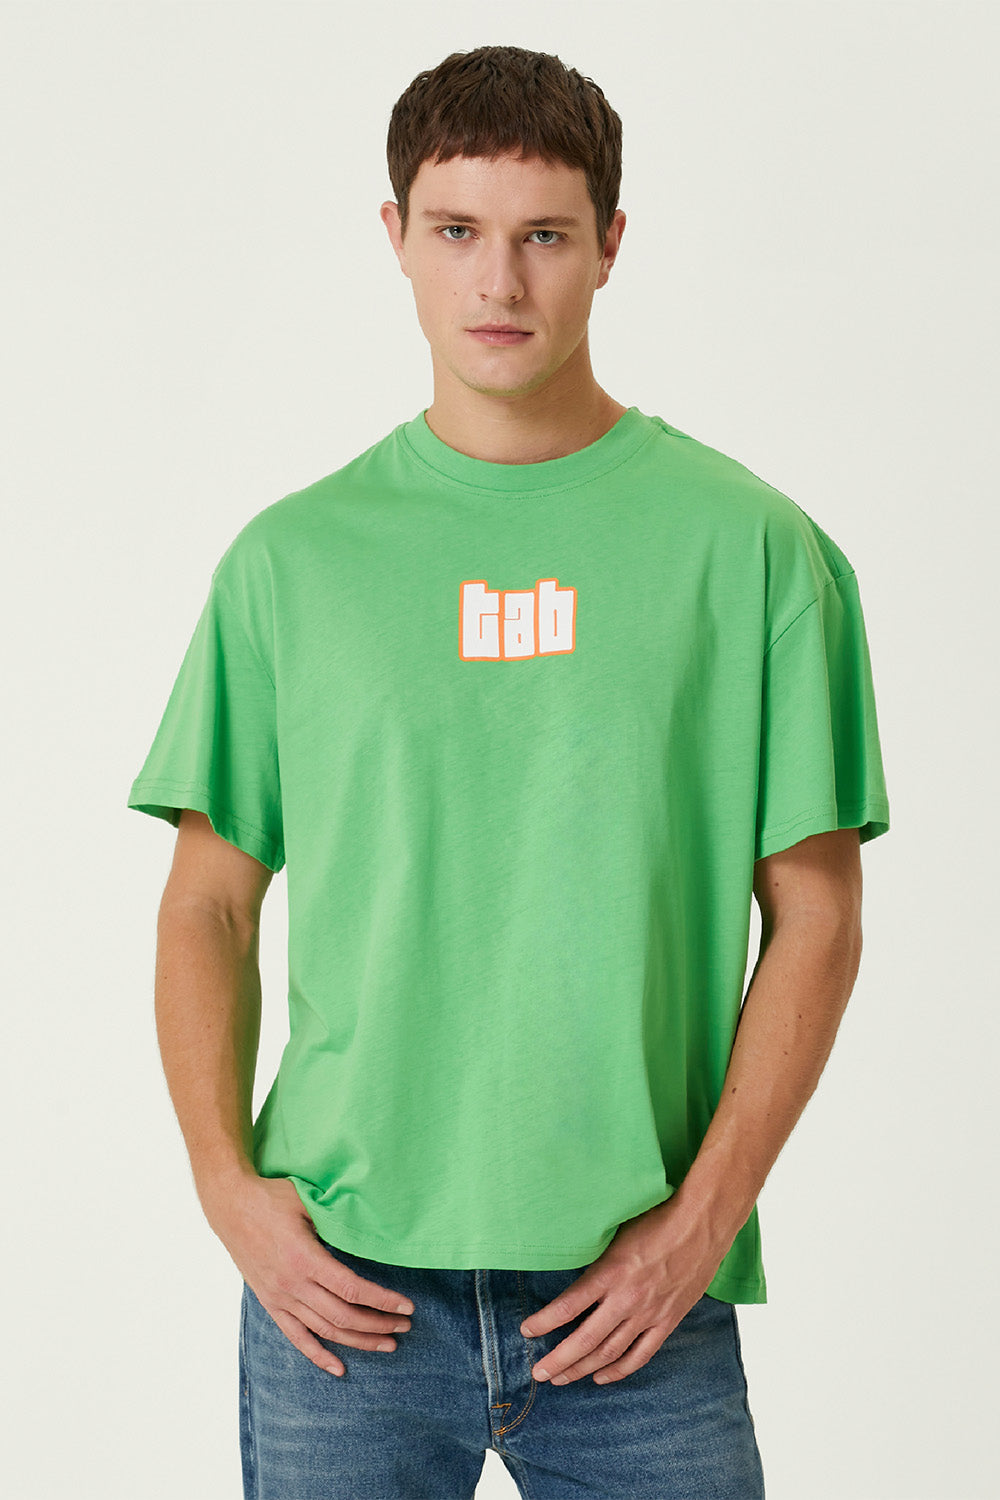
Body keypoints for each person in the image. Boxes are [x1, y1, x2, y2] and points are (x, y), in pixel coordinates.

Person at [127, 42, 891, 1500]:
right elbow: (208, 903)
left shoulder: (756, 553)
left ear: (611, 243)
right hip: (340, 1295)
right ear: (395, 238)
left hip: (635, 1299)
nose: (498, 282)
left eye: (543, 234)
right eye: (456, 231)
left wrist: (701, 1227)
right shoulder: (293, 563)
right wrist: (228, 1192)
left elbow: (820, 917)